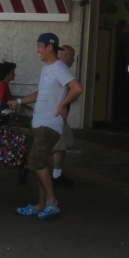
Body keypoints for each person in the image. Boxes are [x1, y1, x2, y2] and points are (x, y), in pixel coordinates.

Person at [9, 33, 84, 219]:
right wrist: (18, 101)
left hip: (49, 124)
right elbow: (40, 93)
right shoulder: (47, 68)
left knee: (35, 162)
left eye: (40, 46)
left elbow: (77, 88)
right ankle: (41, 203)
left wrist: (62, 105)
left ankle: (51, 200)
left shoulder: (59, 67)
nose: (38, 50)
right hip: (38, 122)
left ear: (50, 47)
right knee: (37, 164)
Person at [51, 44, 78, 187]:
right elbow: (76, 89)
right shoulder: (60, 70)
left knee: (64, 144)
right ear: (66, 55)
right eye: (72, 57)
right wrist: (62, 106)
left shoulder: (57, 69)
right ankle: (55, 176)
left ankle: (57, 173)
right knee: (58, 145)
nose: (73, 60)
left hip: (60, 115)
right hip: (56, 115)